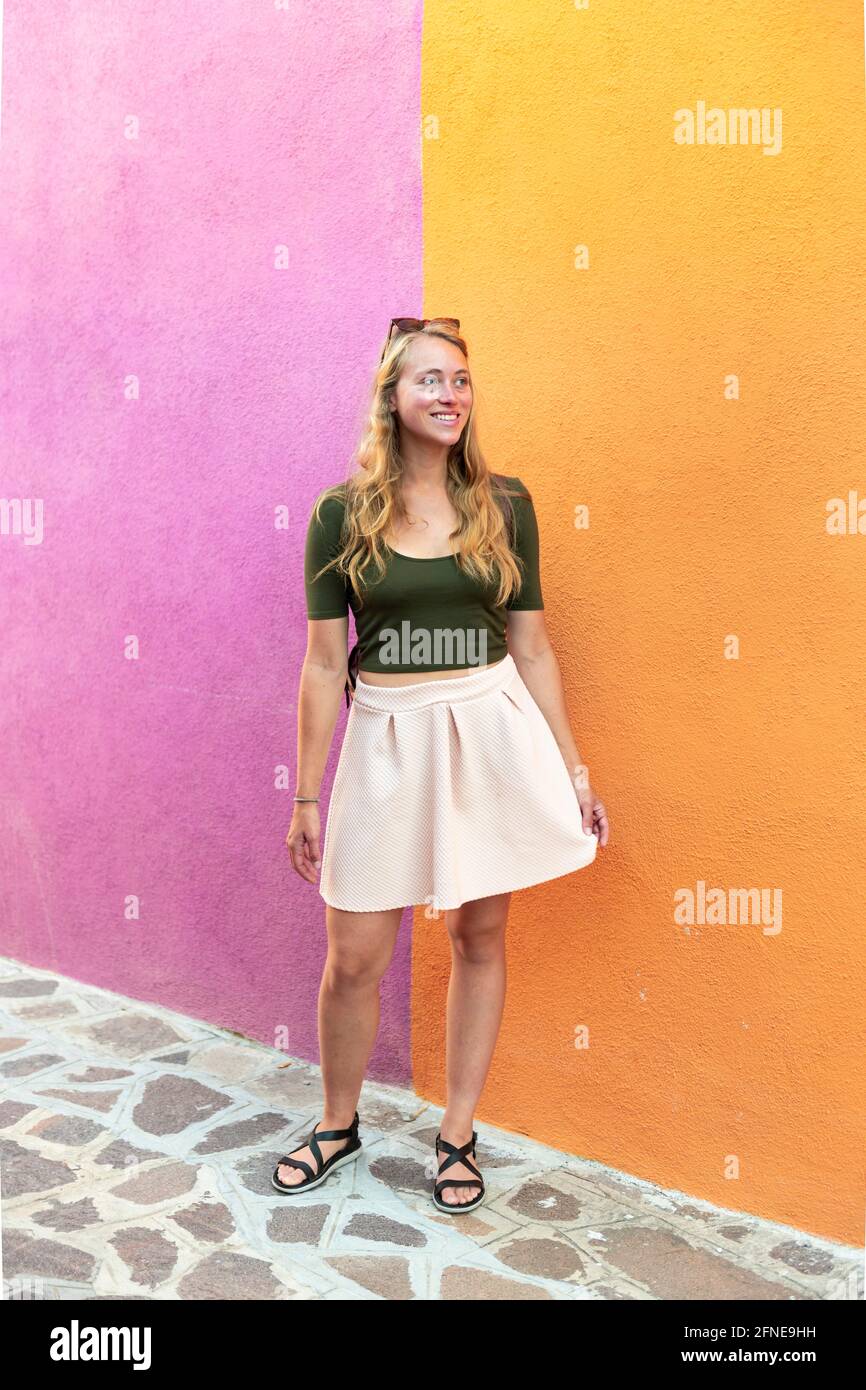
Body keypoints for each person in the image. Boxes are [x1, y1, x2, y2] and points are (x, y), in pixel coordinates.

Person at [275, 316, 609, 1213]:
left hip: (491, 731)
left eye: (460, 379)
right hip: (386, 736)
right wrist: (305, 792)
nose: (450, 394)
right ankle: (337, 1122)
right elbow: (318, 663)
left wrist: (573, 772)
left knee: (479, 937)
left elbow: (534, 648)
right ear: (392, 395)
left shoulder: (508, 503)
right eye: (430, 379)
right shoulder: (339, 516)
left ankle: (457, 1131)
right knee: (354, 955)